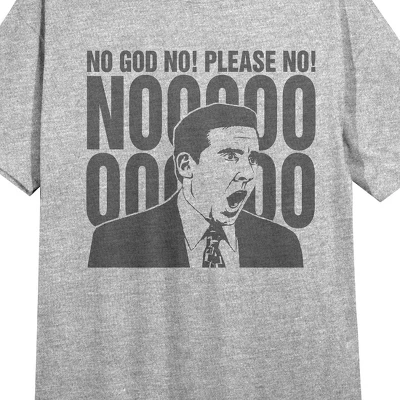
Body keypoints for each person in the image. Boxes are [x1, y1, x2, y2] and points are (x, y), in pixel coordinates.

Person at [88, 103, 303, 268]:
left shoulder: (283, 245)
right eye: (230, 156)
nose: (248, 173)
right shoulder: (114, 242)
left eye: (252, 159)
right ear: (186, 165)